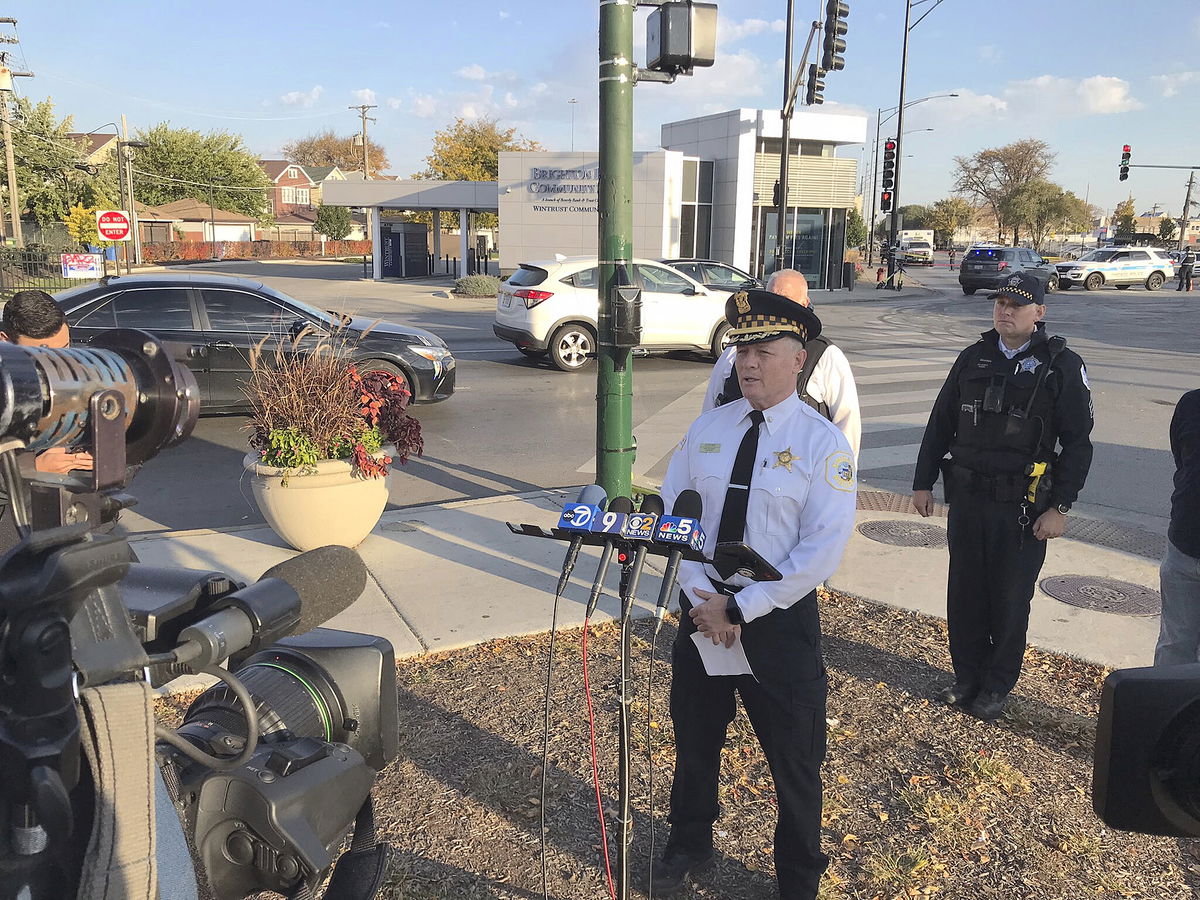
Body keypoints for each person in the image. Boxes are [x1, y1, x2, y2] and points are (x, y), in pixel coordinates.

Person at [655, 288, 857, 899]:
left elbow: (820, 552)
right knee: (694, 743)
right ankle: (687, 844)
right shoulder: (708, 428)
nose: (748, 363)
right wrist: (699, 595)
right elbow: (676, 515)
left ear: (799, 359)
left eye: (764, 351)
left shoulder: (825, 446)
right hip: (703, 612)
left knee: (796, 762)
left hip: (777, 621)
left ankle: (797, 876)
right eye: (742, 349)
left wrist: (741, 607)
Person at [911, 271, 1093, 721]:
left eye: (1017, 305)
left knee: (1010, 600)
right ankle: (966, 677)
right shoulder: (973, 357)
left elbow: (1078, 442)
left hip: (1023, 507)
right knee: (965, 594)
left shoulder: (1061, 366)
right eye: (1000, 304)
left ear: (1040, 312)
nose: (1005, 311)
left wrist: (1061, 506)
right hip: (969, 500)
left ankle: (996, 685)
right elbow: (941, 422)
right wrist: (922, 481)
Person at [703, 269, 862, 459]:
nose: (749, 362)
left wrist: (839, 473)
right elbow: (710, 412)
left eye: (764, 353)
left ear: (805, 304)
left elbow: (847, 423)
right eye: (773, 298)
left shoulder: (825, 355)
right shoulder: (732, 354)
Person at [0, 290, 94, 475]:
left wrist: (105, 456)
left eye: (64, 348)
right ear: (5, 341)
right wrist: (31, 469)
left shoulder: (86, 368)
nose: (57, 363)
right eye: (41, 354)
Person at [1153, 389, 1200, 665]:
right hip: (1182, 550)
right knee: (1173, 648)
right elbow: (1184, 465)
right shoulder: (1191, 404)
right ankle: (1167, 709)